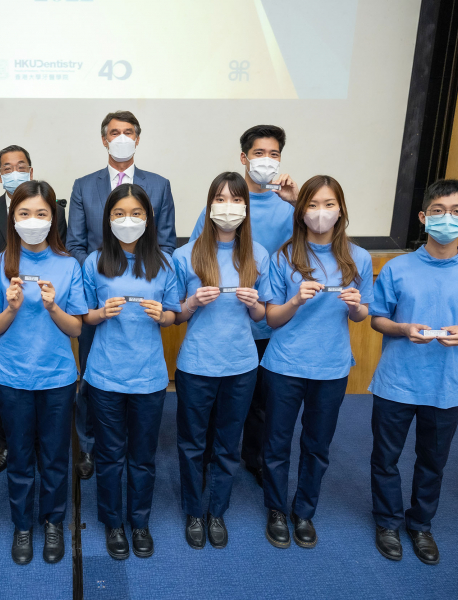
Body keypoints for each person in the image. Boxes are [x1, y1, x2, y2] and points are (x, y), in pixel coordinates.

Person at [368, 179, 458, 565]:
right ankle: (387, 522)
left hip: (444, 385)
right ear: (423, 217)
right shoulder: (397, 267)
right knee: (385, 458)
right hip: (396, 382)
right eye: (438, 211)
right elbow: (377, 319)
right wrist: (403, 328)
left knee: (432, 461)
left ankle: (420, 524)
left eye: (456, 211)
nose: (447, 218)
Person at [261, 175, 373, 549]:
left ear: (341, 210)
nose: (320, 212)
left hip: (331, 366)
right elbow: (271, 318)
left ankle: (304, 511)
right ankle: (276, 510)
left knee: (317, 445)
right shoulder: (283, 256)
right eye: (312, 205)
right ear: (301, 211)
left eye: (328, 204)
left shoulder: (359, 257)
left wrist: (355, 306)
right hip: (284, 366)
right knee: (276, 443)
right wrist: (295, 300)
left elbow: (362, 315)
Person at [0, 180, 86, 565]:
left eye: (41, 213)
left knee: (55, 456)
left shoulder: (68, 265)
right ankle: (22, 526)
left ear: (53, 218)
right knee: (20, 456)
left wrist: (54, 307)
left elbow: (76, 328)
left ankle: (53, 522)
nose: (33, 220)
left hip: (57, 377)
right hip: (12, 377)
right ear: (13, 218)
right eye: (24, 213)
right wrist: (10, 307)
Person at [67, 110, 177, 481]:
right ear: (104, 139)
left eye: (128, 131)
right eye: (114, 132)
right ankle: (89, 445)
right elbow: (76, 242)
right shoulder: (84, 185)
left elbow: (166, 241)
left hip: (145, 287)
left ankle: (133, 446)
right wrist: (102, 277)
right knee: (93, 377)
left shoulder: (159, 184)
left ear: (138, 138)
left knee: (136, 394)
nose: (121, 138)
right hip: (100, 292)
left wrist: (140, 275)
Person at [189, 125, 298, 487]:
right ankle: (207, 461)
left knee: (260, 403)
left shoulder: (289, 207)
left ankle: (254, 460)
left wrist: (297, 203)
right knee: (215, 406)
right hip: (220, 323)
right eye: (259, 153)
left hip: (265, 319)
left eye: (274, 154)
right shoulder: (220, 206)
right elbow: (196, 256)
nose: (266, 160)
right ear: (244, 158)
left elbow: (316, 241)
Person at [172, 172, 271, 549]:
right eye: (220, 199)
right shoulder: (186, 255)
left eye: (236, 200)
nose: (228, 207)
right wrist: (192, 302)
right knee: (192, 444)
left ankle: (217, 511)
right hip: (196, 365)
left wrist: (255, 304)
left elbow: (263, 317)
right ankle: (193, 511)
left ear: (246, 207)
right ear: (209, 205)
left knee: (228, 444)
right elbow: (175, 316)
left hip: (241, 366)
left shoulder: (257, 254)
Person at [82, 183, 179, 560]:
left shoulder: (164, 263)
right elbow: (83, 315)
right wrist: (99, 313)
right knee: (109, 455)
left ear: (148, 218)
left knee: (142, 456)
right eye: (119, 214)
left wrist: (164, 316)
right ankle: (113, 523)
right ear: (107, 219)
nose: (128, 220)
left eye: (136, 213)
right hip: (105, 374)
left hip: (149, 376)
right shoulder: (94, 262)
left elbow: (173, 314)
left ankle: (139, 522)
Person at [0, 145, 67, 475]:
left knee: (49, 419)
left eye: (21, 166)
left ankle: (38, 446)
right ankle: (8, 443)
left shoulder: (56, 214)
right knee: (7, 395)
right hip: (3, 310)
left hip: (47, 327)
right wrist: (5, 299)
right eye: (7, 167)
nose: (15, 172)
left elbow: (60, 250)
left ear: (31, 170)